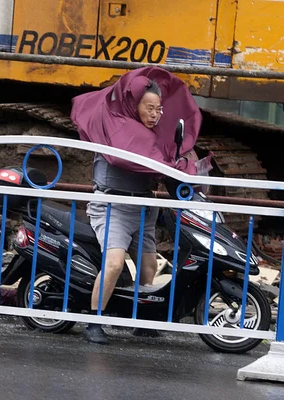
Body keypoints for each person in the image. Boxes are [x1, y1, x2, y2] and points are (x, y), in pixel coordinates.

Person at [70, 67, 203, 345]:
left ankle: (139, 320)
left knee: (148, 267)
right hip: (113, 205)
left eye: (159, 109)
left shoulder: (155, 137)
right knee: (115, 263)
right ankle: (94, 321)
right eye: (149, 108)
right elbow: (131, 158)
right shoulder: (115, 129)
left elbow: (167, 161)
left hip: (142, 206)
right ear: (134, 104)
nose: (155, 114)